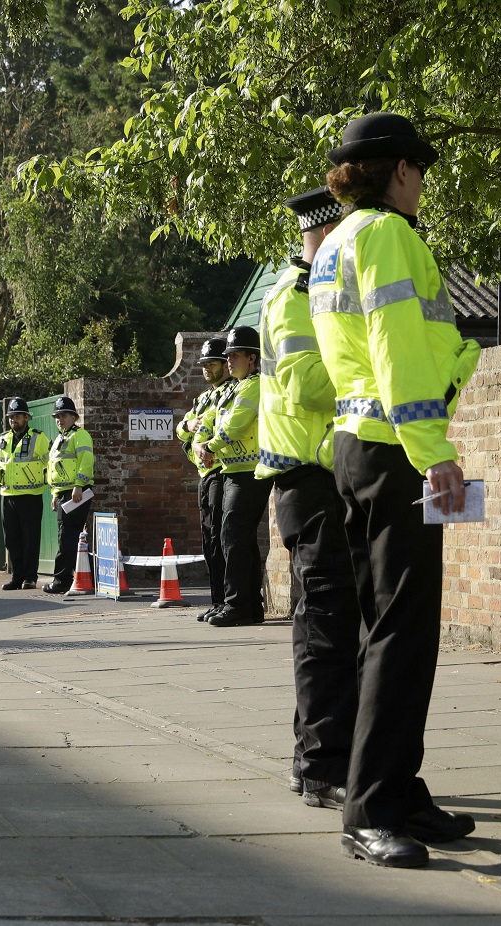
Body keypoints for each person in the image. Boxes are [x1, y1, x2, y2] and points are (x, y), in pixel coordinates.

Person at [308, 112, 481, 868]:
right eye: (421, 171)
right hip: (395, 449)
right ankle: (371, 810)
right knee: (400, 635)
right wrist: (433, 448)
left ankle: (400, 792)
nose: (423, 186)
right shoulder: (387, 236)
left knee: (389, 630)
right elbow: (397, 345)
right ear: (401, 171)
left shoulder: (335, 242)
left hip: (357, 445)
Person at [256, 185, 359, 810]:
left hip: (323, 479)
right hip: (310, 479)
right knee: (324, 628)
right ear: (320, 237)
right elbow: (307, 385)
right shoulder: (294, 300)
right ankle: (322, 767)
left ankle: (311, 760)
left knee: (328, 624)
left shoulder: (319, 296)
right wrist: (380, 370)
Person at [197, 325, 271, 626]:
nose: (228, 362)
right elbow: (209, 419)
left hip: (248, 472)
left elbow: (236, 424)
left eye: (234, 356)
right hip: (232, 470)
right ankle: (250, 606)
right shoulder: (233, 388)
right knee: (240, 538)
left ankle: (237, 604)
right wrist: (201, 439)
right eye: (227, 356)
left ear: (252, 358)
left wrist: (211, 445)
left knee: (233, 537)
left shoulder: (254, 385)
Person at [177, 338, 234, 621]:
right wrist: (187, 426)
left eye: (211, 364)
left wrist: (201, 444)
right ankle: (216, 600)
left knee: (221, 539)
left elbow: (217, 426)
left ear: (226, 363)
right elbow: (181, 429)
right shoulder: (202, 398)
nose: (206, 369)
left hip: (221, 471)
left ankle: (226, 601)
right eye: (203, 365)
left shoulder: (229, 392)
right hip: (204, 473)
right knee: (209, 540)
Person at [0, 397, 50, 591]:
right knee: (11, 539)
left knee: (30, 538)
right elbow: (0, 464)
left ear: (26, 417)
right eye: (11, 417)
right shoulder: (3, 439)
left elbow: (50, 462)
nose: (13, 420)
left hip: (31, 496)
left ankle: (30, 578)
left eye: (17, 416)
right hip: (8, 495)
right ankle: (16, 577)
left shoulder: (39, 438)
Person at [44, 395, 94, 593]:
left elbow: (86, 461)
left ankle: (62, 580)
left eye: (64, 415)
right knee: (66, 535)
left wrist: (79, 485)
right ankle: (81, 577)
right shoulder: (59, 438)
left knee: (67, 536)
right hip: (65, 493)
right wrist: (55, 493)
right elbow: (55, 468)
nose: (60, 419)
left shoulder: (79, 435)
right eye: (57, 416)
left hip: (76, 492)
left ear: (74, 417)